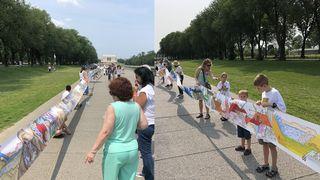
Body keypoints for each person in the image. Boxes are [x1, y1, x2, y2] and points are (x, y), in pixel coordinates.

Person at [85, 77, 148, 180]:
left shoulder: (113, 107)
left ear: (115, 93)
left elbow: (106, 132)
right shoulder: (136, 106)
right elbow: (144, 125)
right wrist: (130, 123)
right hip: (132, 149)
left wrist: (93, 151)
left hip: (115, 151)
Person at [254, 74, 286, 178]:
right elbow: (265, 103)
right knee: (264, 144)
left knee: (272, 146)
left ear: (264, 85)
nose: (258, 90)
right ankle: (266, 164)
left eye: (258, 87)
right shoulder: (264, 92)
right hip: (265, 123)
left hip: (273, 124)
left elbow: (283, 109)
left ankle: (274, 168)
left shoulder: (275, 93)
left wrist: (270, 105)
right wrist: (261, 102)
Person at [133, 66, 155, 180]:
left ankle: (149, 176)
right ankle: (145, 173)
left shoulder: (145, 91)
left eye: (137, 77)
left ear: (143, 76)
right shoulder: (150, 87)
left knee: (146, 154)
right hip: (150, 125)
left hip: (145, 125)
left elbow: (136, 105)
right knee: (146, 152)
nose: (136, 79)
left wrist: (135, 91)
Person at [234, 90, 252, 156]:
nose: (242, 98)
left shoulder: (248, 105)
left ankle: (249, 148)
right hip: (240, 122)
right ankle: (242, 146)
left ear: (247, 97)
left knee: (247, 136)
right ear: (238, 97)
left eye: (244, 96)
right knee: (242, 135)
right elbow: (235, 111)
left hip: (246, 124)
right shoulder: (238, 103)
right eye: (240, 96)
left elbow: (249, 114)